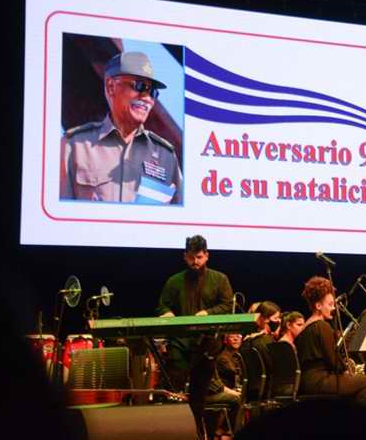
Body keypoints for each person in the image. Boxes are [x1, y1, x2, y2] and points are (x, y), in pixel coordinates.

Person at [60, 51, 182, 204]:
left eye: (152, 92)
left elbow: (180, 221)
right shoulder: (74, 146)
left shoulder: (166, 156)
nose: (147, 98)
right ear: (111, 87)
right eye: (140, 86)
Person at [156, 235, 234, 439]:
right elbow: (162, 305)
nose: (195, 262)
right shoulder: (174, 281)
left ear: (207, 256)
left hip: (207, 346)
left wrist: (208, 313)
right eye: (191, 258)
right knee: (173, 393)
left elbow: (227, 306)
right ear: (185, 257)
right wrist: (166, 313)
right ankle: (172, 433)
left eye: (199, 257)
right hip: (179, 345)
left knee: (199, 397)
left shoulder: (220, 279)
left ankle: (198, 435)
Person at [294, 276, 366, 405]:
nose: (333, 308)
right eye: (330, 304)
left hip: (305, 381)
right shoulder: (321, 325)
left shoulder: (305, 327)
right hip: (319, 381)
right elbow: (333, 360)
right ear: (318, 305)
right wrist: (346, 370)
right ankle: (359, 421)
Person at [205, 334, 243, 439]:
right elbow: (217, 386)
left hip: (218, 391)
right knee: (238, 398)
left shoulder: (236, 356)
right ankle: (226, 431)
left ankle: (225, 431)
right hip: (207, 395)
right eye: (232, 336)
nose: (236, 339)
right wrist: (236, 392)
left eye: (238, 336)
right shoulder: (219, 357)